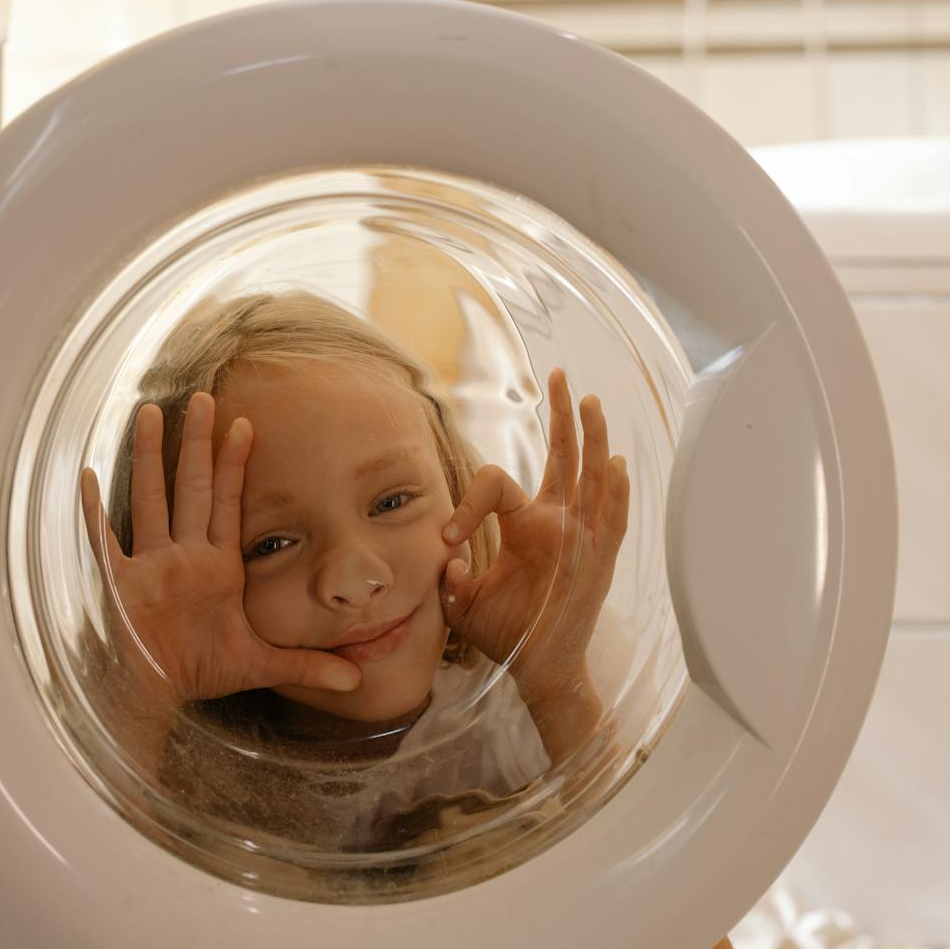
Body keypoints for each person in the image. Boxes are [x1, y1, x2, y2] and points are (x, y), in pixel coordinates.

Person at [75, 289, 631, 853]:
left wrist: (556, 689)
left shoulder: (538, 682)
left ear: (453, 480)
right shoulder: (177, 765)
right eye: (269, 544)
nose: (353, 581)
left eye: (391, 503)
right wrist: (140, 694)